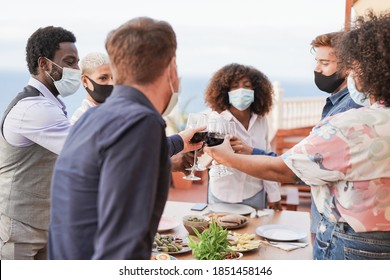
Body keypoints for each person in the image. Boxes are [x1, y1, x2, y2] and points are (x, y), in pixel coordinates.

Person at [204, 11, 390, 260]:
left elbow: (287, 170)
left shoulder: (353, 123)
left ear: (369, 69)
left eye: (353, 66)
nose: (350, 73)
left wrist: (226, 157)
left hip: (355, 243)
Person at [49, 17, 204, 260]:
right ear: (172, 68)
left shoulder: (92, 119)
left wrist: (181, 141)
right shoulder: (141, 122)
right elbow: (121, 246)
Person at [0, 26, 80, 260]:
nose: (77, 69)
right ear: (44, 64)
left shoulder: (49, 104)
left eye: (77, 62)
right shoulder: (34, 108)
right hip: (19, 229)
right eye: (70, 61)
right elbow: (86, 150)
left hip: (45, 224)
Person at [204, 63, 281, 210]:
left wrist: (274, 195)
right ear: (225, 90)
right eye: (235, 86)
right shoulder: (217, 119)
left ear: (255, 90)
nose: (241, 90)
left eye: (246, 86)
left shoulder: (261, 121)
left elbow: (266, 159)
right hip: (222, 194)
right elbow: (212, 153)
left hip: (255, 194)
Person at [309, 31, 362, 241]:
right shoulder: (336, 103)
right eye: (316, 61)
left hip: (337, 227)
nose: (317, 69)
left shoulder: (350, 107)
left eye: (324, 62)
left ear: (348, 67)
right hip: (328, 222)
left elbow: (315, 163)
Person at [70, 52, 114, 124]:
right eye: (103, 78)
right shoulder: (81, 120)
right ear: (85, 81)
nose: (112, 83)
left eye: (113, 77)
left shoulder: (115, 110)